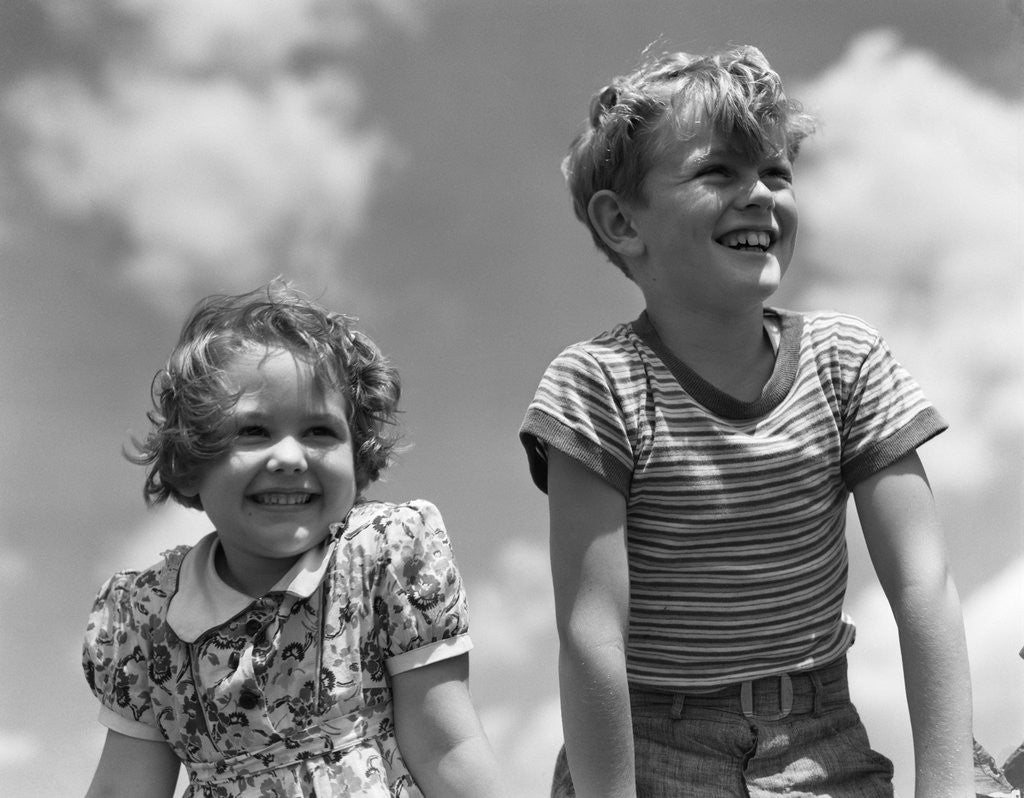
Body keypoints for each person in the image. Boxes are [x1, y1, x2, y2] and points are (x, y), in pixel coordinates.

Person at [519, 45, 973, 797]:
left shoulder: (846, 361)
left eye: (776, 173)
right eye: (717, 172)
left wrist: (948, 786)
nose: (760, 194)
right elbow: (591, 632)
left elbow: (924, 583)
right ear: (623, 223)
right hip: (647, 747)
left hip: (819, 736)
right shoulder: (596, 384)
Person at [83, 281, 504, 797]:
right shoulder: (146, 619)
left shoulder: (383, 558)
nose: (289, 456)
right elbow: (124, 788)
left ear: (359, 458)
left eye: (320, 432)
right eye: (253, 431)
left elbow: (447, 748)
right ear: (190, 463)